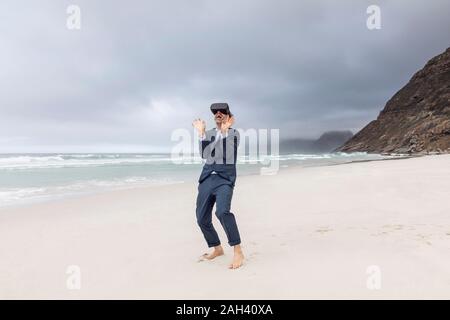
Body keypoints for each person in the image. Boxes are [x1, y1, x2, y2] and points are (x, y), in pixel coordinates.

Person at [192, 103, 244, 269]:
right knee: (202, 219)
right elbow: (205, 154)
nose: (218, 114)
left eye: (223, 112)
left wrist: (224, 131)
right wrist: (201, 134)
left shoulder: (234, 134)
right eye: (216, 112)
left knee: (222, 212)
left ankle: (237, 250)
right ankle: (217, 248)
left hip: (224, 179)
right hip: (207, 178)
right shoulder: (207, 134)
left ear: (229, 117)